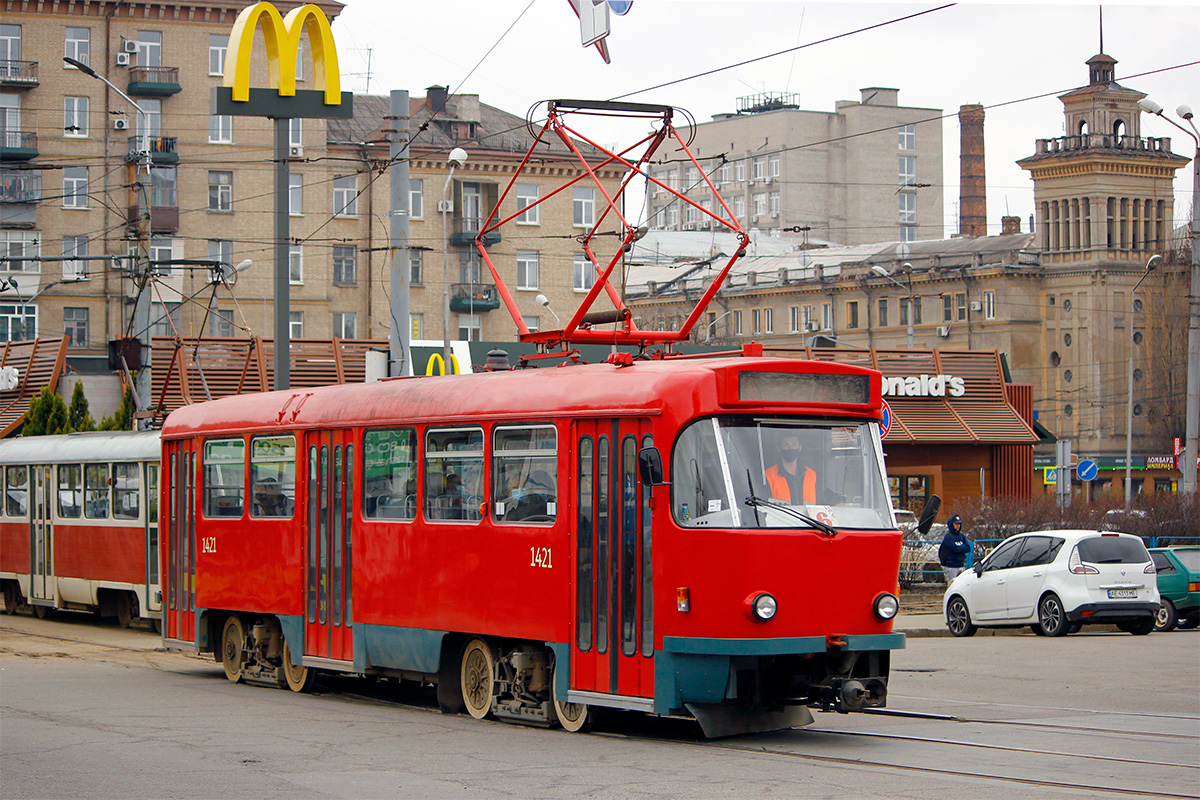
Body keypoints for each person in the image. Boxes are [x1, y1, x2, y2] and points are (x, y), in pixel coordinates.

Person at [764, 432, 818, 503]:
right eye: (785, 444)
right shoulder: (768, 475)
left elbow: (821, 504)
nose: (790, 448)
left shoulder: (812, 475)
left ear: (800, 447)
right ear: (779, 448)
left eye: (794, 444)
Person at [938, 515, 972, 583]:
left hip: (961, 565)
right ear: (951, 524)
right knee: (952, 585)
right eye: (956, 524)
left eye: (959, 524)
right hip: (952, 566)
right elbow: (955, 548)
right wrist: (961, 548)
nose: (958, 526)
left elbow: (968, 548)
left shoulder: (961, 536)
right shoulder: (948, 536)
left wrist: (960, 548)